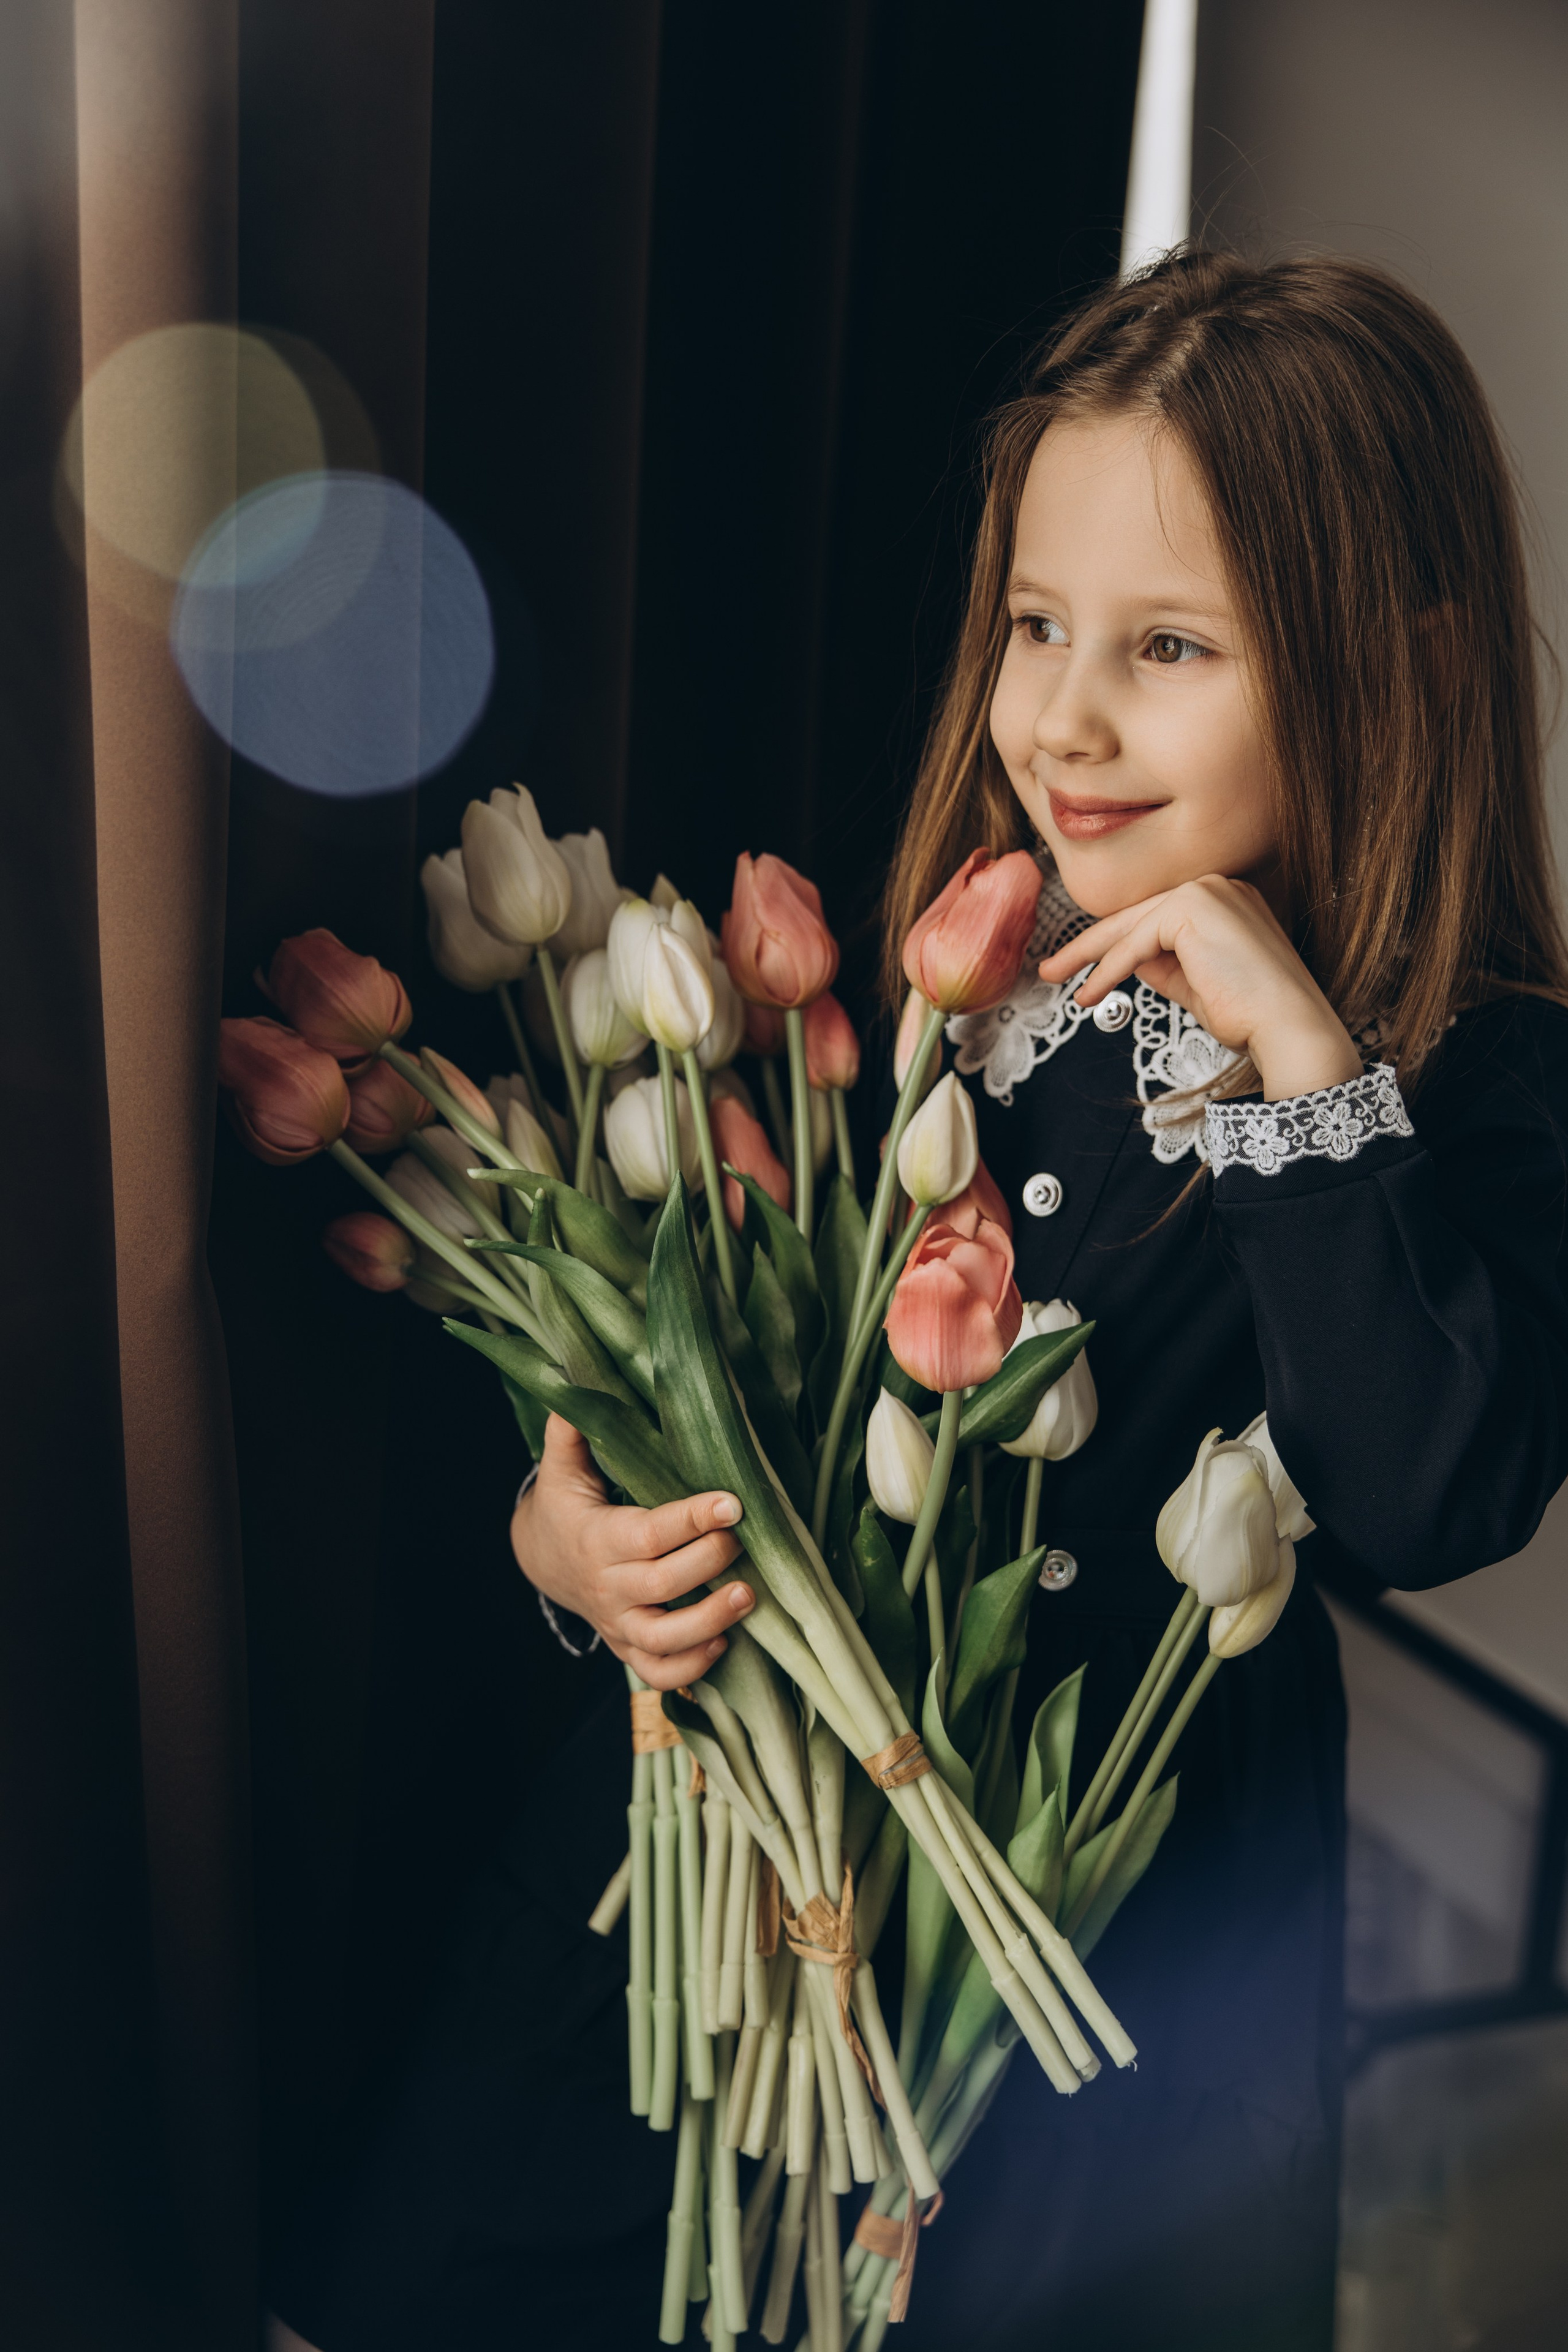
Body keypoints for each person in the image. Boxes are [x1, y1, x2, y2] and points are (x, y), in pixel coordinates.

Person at [267, 250, 1568, 2351]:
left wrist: (1294, 1064)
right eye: (1039, 628)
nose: (1063, 714)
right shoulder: (997, 962)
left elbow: (1424, 1495)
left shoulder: (1475, 1069)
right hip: (751, 1874)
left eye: (1170, 647)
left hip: (1098, 1964)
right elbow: (786, 1409)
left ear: (1392, 675)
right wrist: (568, 1549)